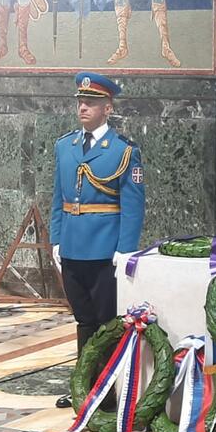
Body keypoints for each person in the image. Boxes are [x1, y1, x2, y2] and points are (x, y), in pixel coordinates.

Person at [50, 72, 145, 409]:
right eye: (80, 101)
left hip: (105, 251)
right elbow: (57, 197)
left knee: (106, 325)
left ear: (108, 107)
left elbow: (132, 205)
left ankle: (106, 394)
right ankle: (83, 386)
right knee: (83, 321)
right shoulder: (65, 146)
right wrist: (56, 239)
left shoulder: (122, 151)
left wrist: (125, 249)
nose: (83, 107)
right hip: (73, 248)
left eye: (90, 102)